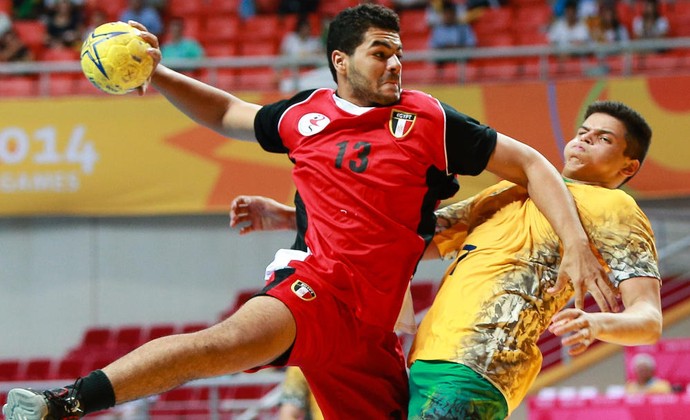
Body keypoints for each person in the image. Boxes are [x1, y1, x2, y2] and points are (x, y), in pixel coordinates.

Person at [2, 4, 617, 419]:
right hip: (316, 286)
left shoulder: (428, 120)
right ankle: (66, 402)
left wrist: (577, 246)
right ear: (341, 62)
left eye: (399, 51)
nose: (396, 63)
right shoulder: (305, 116)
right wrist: (162, 74)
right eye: (381, 53)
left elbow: (534, 164)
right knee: (224, 344)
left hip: (373, 331)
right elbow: (227, 114)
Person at [229, 100, 663, 418]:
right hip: (422, 357)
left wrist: (598, 323)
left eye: (603, 138)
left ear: (628, 166)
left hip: (481, 365)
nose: (585, 138)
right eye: (584, 130)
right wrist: (297, 216)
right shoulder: (508, 191)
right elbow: (416, 238)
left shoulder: (617, 210)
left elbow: (649, 318)